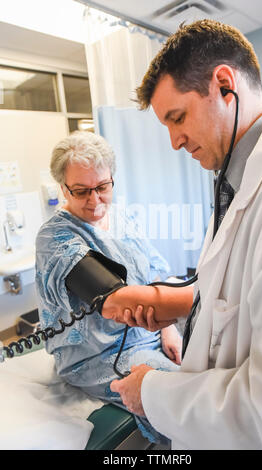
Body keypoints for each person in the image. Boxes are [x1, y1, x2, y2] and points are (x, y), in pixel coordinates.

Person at [101, 19, 262, 449]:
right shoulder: (237, 178)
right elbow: (237, 300)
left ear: (224, 85)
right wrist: (180, 307)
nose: (174, 142)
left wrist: (150, 393)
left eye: (178, 117)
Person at [35, 130, 182, 445]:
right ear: (63, 188)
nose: (94, 200)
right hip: (99, 355)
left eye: (102, 187)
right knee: (173, 391)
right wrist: (195, 300)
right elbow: (114, 301)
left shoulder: (121, 217)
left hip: (151, 335)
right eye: (81, 191)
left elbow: (157, 270)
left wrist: (170, 330)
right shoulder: (55, 237)